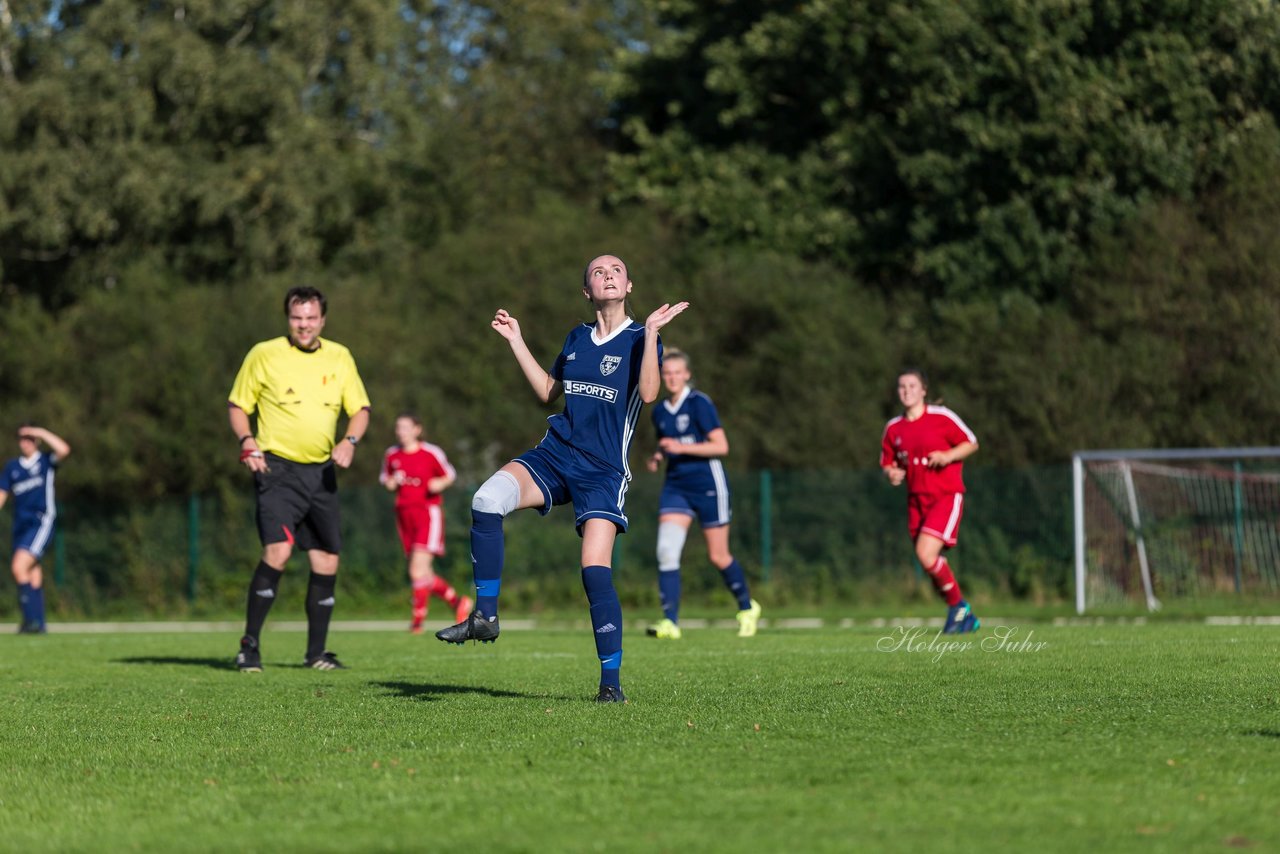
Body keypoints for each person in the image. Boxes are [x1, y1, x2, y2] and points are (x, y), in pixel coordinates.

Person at [435, 254, 687, 703]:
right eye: (597, 272)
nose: (607, 275)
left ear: (628, 286)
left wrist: (652, 334)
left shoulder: (638, 338)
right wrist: (516, 340)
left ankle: (610, 684)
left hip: (604, 471)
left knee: (594, 571)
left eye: (616, 271)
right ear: (586, 292)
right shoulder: (576, 338)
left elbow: (648, 393)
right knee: (486, 501)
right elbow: (547, 391)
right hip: (557, 453)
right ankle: (486, 616)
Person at [228, 285, 371, 671]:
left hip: (321, 473)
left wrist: (350, 441)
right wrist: (247, 442)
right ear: (287, 318)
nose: (303, 325)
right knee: (279, 551)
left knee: (327, 561)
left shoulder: (340, 357)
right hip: (277, 469)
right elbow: (238, 406)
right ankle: (249, 648)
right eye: (296, 317)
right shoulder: (264, 354)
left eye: (310, 318)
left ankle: (316, 655)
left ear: (322, 320)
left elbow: (359, 410)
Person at [643, 349, 761, 640]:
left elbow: (721, 446)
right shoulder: (659, 411)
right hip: (676, 487)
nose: (671, 378)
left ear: (687, 375)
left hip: (708, 485)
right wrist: (658, 456)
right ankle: (670, 622)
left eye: (676, 373)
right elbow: (666, 443)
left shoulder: (699, 404)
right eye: (666, 373)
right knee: (667, 552)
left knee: (718, 556)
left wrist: (681, 448)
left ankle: (747, 608)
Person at [880, 369, 980, 634]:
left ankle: (959, 608)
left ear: (923, 389)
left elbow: (971, 443)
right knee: (928, 560)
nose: (906, 391)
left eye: (912, 385)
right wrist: (891, 473)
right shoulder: (893, 428)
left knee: (925, 554)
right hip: (916, 501)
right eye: (902, 386)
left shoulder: (941, 417)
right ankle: (961, 612)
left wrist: (948, 456)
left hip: (945, 495)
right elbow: (888, 461)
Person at [381, 413, 471, 633]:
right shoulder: (392, 454)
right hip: (404, 515)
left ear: (417, 430)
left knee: (416, 570)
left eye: (405, 427)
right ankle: (457, 602)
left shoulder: (431, 452)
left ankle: (417, 622)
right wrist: (391, 482)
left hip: (427, 515)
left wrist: (438, 483)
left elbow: (450, 474)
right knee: (423, 573)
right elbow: (386, 480)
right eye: (398, 427)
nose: (400, 431)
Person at [0, 425, 70, 634]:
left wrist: (40, 431)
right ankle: (38, 622)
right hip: (20, 525)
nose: (26, 442)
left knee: (18, 567)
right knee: (31, 571)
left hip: (41, 521)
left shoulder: (46, 462)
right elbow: (2, 494)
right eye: (22, 438)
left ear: (37, 440)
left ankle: (30, 621)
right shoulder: (12, 467)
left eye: (30, 438)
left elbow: (64, 450)